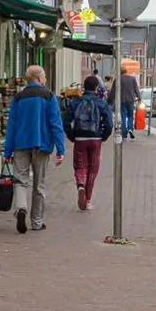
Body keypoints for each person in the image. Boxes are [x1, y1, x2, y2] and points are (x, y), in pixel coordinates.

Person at [0, 65, 67, 232]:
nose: (45, 80)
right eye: (43, 77)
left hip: (21, 145)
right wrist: (61, 149)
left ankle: (21, 207)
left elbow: (12, 126)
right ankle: (37, 222)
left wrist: (7, 151)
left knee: (20, 180)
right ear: (38, 79)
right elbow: (55, 124)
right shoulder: (49, 97)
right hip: (42, 145)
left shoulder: (18, 98)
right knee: (39, 185)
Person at [69, 75, 115, 210]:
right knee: (93, 168)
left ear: (84, 87)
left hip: (80, 139)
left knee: (80, 165)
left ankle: (81, 185)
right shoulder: (101, 103)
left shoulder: (76, 102)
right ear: (96, 88)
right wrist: (103, 136)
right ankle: (88, 200)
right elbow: (109, 124)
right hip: (96, 139)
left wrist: (72, 136)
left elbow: (66, 121)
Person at [118, 68, 140, 140]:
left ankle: (124, 133)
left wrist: (110, 100)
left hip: (122, 100)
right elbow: (136, 89)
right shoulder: (132, 78)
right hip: (131, 100)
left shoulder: (119, 79)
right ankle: (130, 129)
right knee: (130, 115)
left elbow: (114, 90)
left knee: (123, 116)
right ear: (126, 71)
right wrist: (139, 97)